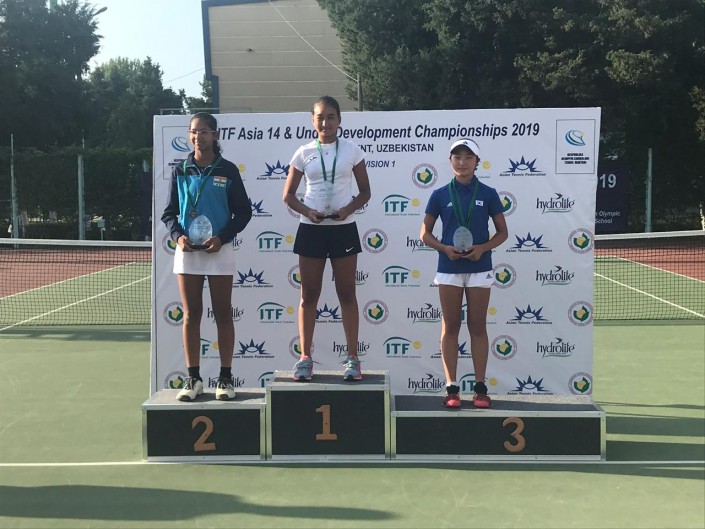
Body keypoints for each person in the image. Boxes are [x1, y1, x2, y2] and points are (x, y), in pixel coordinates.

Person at [162, 112, 252, 401]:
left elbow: (244, 212)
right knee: (191, 315)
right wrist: (179, 237)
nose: (197, 137)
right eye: (193, 131)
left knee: (223, 313)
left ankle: (225, 379)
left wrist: (221, 238)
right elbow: (169, 213)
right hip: (188, 252)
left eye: (203, 131)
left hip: (219, 250)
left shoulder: (227, 170)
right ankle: (193, 378)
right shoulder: (181, 170)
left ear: (215, 135)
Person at [283, 96, 372, 382]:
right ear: (313, 121)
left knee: (347, 293)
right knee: (309, 295)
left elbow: (365, 192)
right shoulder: (303, 152)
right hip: (312, 229)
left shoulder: (352, 150)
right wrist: (308, 212)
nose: (325, 122)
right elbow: (288, 196)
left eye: (331, 117)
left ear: (339, 120)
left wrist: (348, 209)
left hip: (343, 228)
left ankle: (353, 358)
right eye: (320, 117)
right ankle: (305, 358)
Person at [420, 138, 508, 408]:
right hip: (449, 268)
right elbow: (424, 234)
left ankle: (480, 388)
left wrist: (482, 248)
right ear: (450, 161)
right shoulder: (439, 195)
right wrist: (444, 248)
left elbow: (502, 233)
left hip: (480, 268)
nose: (462, 162)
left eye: (468, 157)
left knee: (478, 326)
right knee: (451, 326)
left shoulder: (489, 193)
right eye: (457, 157)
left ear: (477, 162)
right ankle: (452, 388)